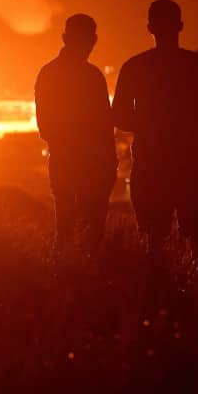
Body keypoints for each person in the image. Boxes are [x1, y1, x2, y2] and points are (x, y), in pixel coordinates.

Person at [112, 0, 198, 264]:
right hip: (193, 165)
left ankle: (156, 295)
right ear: (180, 26)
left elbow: (120, 116)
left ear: (149, 28)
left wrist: (149, 123)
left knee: (153, 240)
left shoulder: (134, 67)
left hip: (151, 163)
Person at [35, 14, 117, 253]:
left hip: (70, 162)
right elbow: (104, 124)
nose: (87, 45)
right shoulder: (92, 76)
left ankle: (71, 275)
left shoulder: (49, 74)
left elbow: (46, 127)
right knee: (84, 230)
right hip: (84, 164)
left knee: (70, 227)